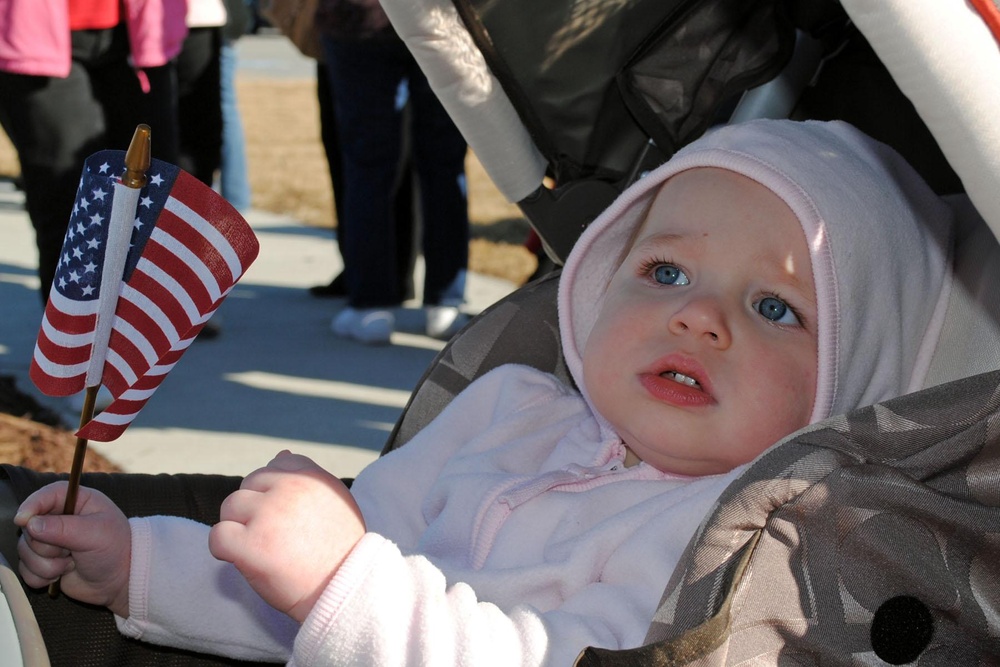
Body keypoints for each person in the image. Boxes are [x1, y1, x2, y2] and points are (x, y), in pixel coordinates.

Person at [12, 120, 955, 663]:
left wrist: (346, 581)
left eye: (774, 306)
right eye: (667, 273)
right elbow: (295, 592)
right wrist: (139, 563)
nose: (701, 320)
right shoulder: (509, 406)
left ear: (850, 381)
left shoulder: (736, 540)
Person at [0, 0, 186, 304]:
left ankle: (135, 343)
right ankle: (73, 343)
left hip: (140, 30)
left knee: (156, 198)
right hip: (33, 29)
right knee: (72, 208)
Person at [316, 0, 471, 343]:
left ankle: (372, 305)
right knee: (443, 164)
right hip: (439, 20)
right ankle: (443, 302)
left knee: (368, 166)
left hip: (361, 21)